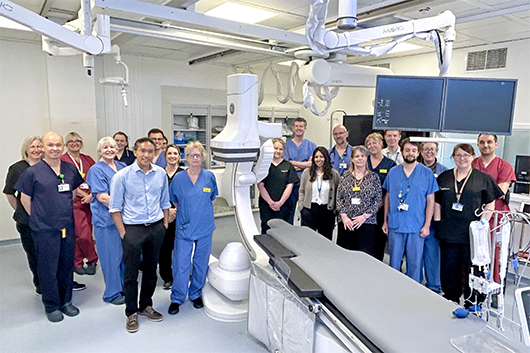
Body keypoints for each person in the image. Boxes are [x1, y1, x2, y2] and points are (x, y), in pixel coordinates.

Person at [15, 132, 84, 322]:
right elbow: (25, 199)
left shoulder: (69, 169)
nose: (54, 148)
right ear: (43, 148)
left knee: (65, 265)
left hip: (66, 227)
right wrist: (40, 219)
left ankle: (66, 301)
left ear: (62, 147)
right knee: (47, 267)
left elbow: (72, 193)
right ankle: (51, 305)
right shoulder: (32, 172)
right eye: (50, 145)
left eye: (58, 145)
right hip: (44, 229)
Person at [109, 137, 170, 333]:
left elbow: (165, 202)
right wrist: (123, 233)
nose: (146, 155)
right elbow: (115, 208)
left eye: (150, 151)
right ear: (135, 152)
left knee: (151, 270)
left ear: (154, 153)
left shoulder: (160, 174)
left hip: (155, 228)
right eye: (142, 151)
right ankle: (131, 312)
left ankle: (145, 306)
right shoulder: (122, 176)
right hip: (133, 229)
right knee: (131, 273)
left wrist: (165, 225)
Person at [435, 144, 503, 306]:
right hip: (449, 230)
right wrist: (438, 222)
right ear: (453, 158)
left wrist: (482, 224)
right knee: (449, 265)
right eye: (458, 155)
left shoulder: (483, 178)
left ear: (473, 157)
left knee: (473, 267)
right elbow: (437, 201)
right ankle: (451, 296)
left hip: (472, 232)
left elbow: (490, 203)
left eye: (466, 155)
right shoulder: (444, 177)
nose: (462, 158)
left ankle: (473, 299)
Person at [168, 141, 218, 316]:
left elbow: (212, 198)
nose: (195, 158)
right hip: (185, 227)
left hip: (204, 226)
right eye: (191, 155)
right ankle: (177, 297)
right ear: (186, 158)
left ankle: (196, 293)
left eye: (198, 155)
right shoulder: (179, 178)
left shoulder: (209, 177)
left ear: (202, 157)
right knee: (180, 263)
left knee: (200, 262)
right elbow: (174, 200)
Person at [382, 138, 438, 282]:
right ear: (402, 152)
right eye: (407, 150)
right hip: (396, 223)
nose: (410, 153)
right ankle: (394, 286)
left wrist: (427, 225)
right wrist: (385, 221)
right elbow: (388, 197)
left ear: (418, 153)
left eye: (413, 150)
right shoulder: (393, 172)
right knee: (394, 261)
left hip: (416, 225)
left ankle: (414, 290)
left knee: (415, 263)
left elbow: (431, 200)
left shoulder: (426, 173)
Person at [86, 137, 127, 305]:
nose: (109, 149)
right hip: (106, 222)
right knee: (111, 257)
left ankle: (123, 286)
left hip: (125, 220)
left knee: (123, 256)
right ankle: (112, 292)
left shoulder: (123, 167)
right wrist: (126, 206)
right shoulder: (96, 170)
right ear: (99, 151)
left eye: (112, 146)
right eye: (105, 147)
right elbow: (102, 197)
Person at [472, 134, 516, 286]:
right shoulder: (472, 164)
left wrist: (477, 193)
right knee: (473, 251)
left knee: (493, 254)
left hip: (495, 219)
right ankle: (472, 286)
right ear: (478, 145)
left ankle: (493, 286)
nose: (486, 145)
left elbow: (500, 192)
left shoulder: (504, 166)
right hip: (474, 216)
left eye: (489, 142)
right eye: (482, 142)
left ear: (496, 144)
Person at [4, 136, 43, 294]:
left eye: (39, 146)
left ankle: (59, 281)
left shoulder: (49, 166)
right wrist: (21, 211)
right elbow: (9, 193)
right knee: (34, 253)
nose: (36, 150)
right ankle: (40, 284)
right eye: (33, 147)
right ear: (26, 149)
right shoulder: (17, 168)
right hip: (27, 221)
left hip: (48, 220)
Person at [61, 132, 98, 276]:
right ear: (66, 144)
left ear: (81, 143)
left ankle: (89, 261)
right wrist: (84, 195)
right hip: (74, 201)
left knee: (87, 231)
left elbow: (96, 177)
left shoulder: (87, 159)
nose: (74, 143)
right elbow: (64, 182)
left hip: (90, 201)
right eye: (70, 141)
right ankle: (82, 260)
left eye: (77, 141)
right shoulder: (63, 160)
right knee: (80, 234)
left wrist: (91, 195)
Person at [336, 146, 382, 256]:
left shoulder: (373, 177)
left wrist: (364, 217)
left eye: (362, 156)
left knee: (364, 255)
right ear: (352, 159)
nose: (360, 158)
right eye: (357, 156)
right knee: (345, 254)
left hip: (366, 223)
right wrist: (344, 217)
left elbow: (378, 199)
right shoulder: (345, 177)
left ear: (366, 158)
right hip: (347, 223)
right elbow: (339, 198)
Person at [419, 142, 448, 293]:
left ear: (436, 151)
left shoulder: (444, 172)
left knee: (432, 253)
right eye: (426, 149)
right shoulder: (415, 169)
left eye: (432, 149)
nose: (429, 152)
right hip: (417, 216)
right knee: (416, 251)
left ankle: (434, 285)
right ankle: (414, 281)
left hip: (435, 219)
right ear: (421, 152)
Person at [365, 132, 396, 261]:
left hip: (381, 209)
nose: (372, 146)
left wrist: (380, 204)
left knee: (379, 241)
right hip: (363, 209)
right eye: (369, 143)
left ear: (381, 144)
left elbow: (390, 189)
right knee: (365, 241)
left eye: (374, 143)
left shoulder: (390, 164)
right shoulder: (364, 161)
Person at [258, 139, 299, 233]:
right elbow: (260, 186)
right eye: (275, 148)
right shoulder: (264, 165)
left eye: (280, 149)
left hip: (283, 205)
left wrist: (280, 203)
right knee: (266, 228)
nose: (278, 151)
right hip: (266, 204)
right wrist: (270, 203)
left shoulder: (288, 166)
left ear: (283, 150)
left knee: (283, 230)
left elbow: (289, 186)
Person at [298, 147, 340, 240]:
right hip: (309, 210)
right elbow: (302, 191)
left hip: (327, 211)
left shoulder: (334, 174)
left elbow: (338, 193)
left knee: (325, 240)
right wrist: (301, 207)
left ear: (326, 157)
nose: (318, 159)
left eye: (321, 156)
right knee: (308, 239)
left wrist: (335, 210)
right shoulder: (307, 172)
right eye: (316, 157)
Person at [159, 145, 185, 290]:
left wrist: (176, 211)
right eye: (169, 153)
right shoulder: (159, 174)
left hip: (179, 215)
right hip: (163, 216)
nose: (172, 156)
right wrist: (167, 212)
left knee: (181, 247)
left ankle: (181, 274)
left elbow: (187, 196)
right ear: (165, 156)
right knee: (165, 248)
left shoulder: (183, 174)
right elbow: (155, 195)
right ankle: (167, 277)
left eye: (175, 153)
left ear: (179, 156)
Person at [283, 117, 317, 224]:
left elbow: (312, 164)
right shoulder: (286, 146)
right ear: (293, 128)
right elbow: (286, 165)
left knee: (306, 210)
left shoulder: (311, 146)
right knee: (289, 210)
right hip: (291, 183)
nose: (299, 128)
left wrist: (294, 162)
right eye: (296, 126)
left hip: (306, 182)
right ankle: (288, 234)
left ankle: (304, 233)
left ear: (305, 128)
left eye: (301, 126)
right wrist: (304, 165)